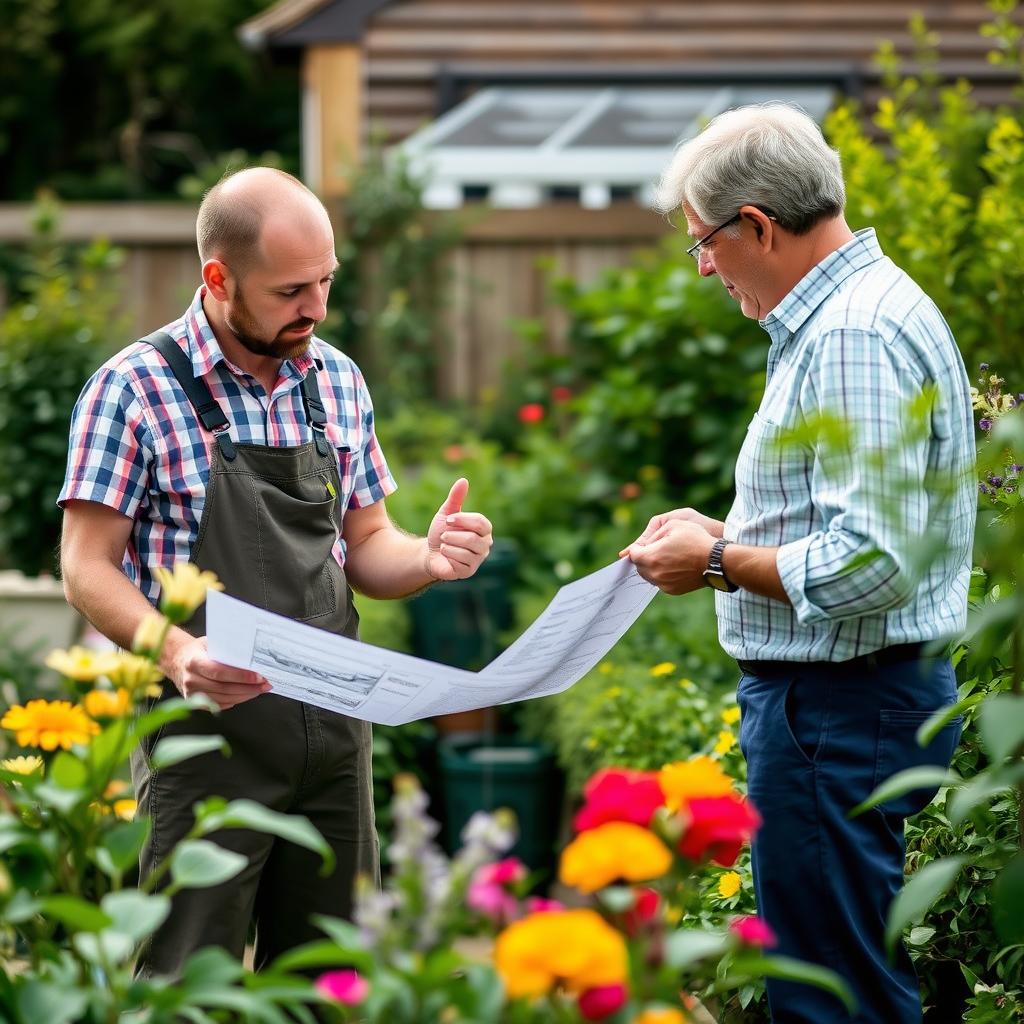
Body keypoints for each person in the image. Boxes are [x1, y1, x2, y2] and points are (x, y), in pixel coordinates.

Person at [58, 167, 494, 978]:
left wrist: (427, 558)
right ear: (218, 279)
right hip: (202, 741)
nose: (317, 309)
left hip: (333, 732)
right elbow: (86, 567)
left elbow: (367, 547)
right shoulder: (133, 389)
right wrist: (178, 652)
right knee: (187, 980)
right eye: (292, 290)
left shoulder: (336, 380)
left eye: (326, 282)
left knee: (329, 979)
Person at [621, 104, 975, 1023]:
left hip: (842, 711)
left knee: (833, 998)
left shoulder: (851, 333)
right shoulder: (862, 311)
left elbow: (873, 560)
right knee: (842, 974)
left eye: (704, 243)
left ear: (758, 228)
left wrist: (718, 560)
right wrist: (720, 532)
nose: (703, 266)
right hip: (850, 707)